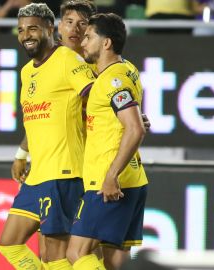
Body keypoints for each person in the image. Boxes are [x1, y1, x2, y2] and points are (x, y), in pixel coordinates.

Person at [0, 3, 96, 270]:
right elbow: (36, 117)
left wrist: (127, 114)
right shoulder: (27, 71)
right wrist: (21, 154)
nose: (26, 35)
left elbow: (97, 95)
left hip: (63, 173)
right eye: (21, 30)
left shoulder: (67, 59)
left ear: (49, 28)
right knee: (10, 244)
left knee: (56, 255)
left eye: (32, 28)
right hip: (37, 174)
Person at [66, 13, 148, 270]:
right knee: (114, 263)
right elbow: (132, 121)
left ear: (106, 43)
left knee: (76, 253)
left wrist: (111, 175)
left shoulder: (112, 80)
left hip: (109, 182)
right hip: (133, 179)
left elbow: (135, 129)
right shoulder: (128, 70)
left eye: (89, 37)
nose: (83, 43)